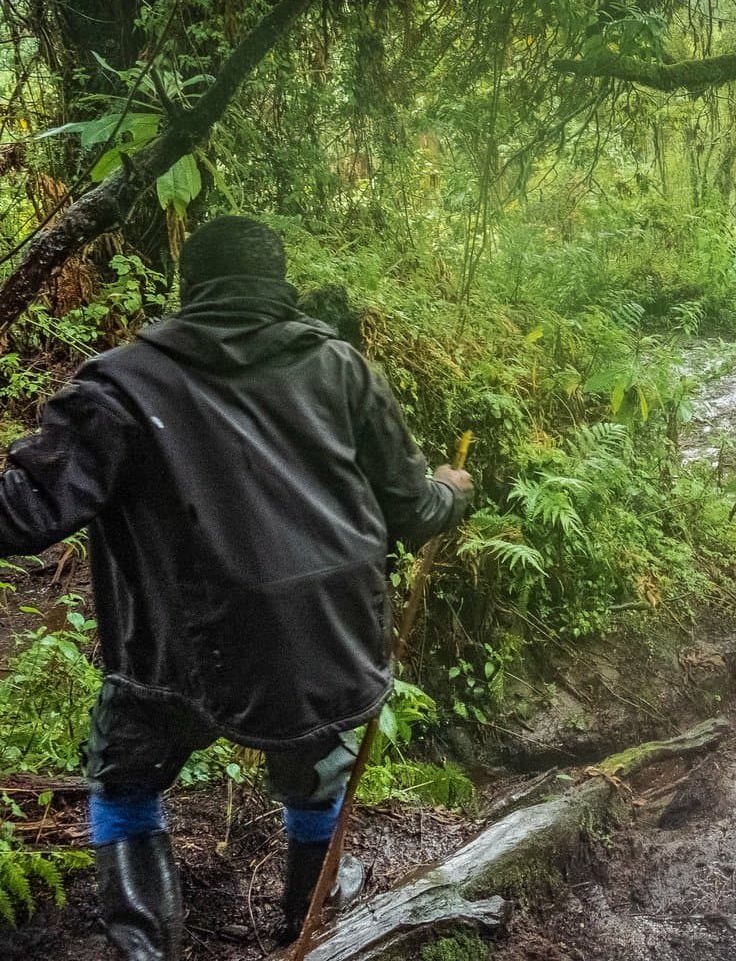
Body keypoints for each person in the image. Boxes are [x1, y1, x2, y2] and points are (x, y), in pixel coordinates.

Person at [0, 216, 473, 958]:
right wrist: (452, 488)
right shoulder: (343, 370)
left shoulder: (121, 383)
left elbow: (19, 515)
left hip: (174, 655)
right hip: (323, 643)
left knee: (125, 779)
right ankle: (310, 931)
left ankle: (147, 948)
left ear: (189, 290)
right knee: (317, 779)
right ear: (279, 287)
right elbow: (414, 512)